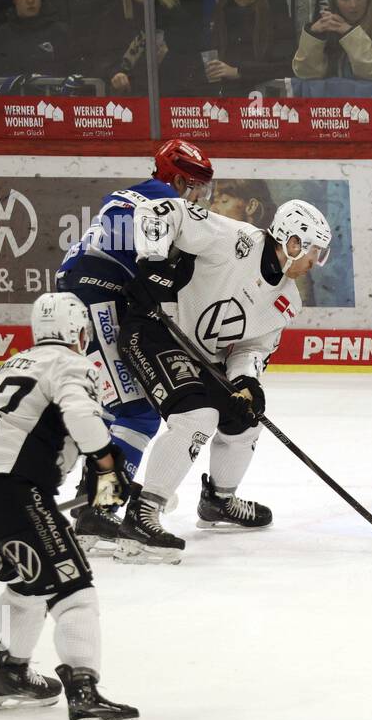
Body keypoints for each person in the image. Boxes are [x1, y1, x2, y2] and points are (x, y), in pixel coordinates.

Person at [0, 292, 138, 720]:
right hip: (14, 492)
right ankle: (85, 695)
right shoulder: (71, 364)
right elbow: (81, 418)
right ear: (77, 332)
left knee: (27, 585)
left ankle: (11, 673)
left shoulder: (13, 365)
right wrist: (107, 464)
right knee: (74, 592)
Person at [116, 197, 333, 563]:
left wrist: (247, 381)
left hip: (200, 356)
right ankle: (142, 514)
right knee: (198, 417)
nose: (316, 261)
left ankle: (218, 501)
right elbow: (157, 211)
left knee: (246, 418)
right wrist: (151, 263)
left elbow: (253, 348)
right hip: (154, 330)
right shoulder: (236, 239)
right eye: (315, 250)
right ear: (292, 241)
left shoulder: (287, 300)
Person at [55, 139, 215, 551]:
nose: (200, 197)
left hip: (85, 294)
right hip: (98, 297)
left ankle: (96, 496)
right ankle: (100, 509)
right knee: (137, 410)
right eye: (196, 185)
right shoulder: (165, 201)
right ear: (178, 179)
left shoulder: (138, 194)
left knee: (119, 406)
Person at [208, 0, 296, 96]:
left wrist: (239, 72)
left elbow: (287, 65)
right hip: (230, 96)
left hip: (269, 97)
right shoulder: (222, 13)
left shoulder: (275, 13)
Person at [95, 0, 181, 95]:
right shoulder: (113, 17)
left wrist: (166, 59)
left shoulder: (174, 14)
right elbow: (103, 60)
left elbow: (188, 63)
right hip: (129, 98)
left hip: (168, 97)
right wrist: (115, 75)